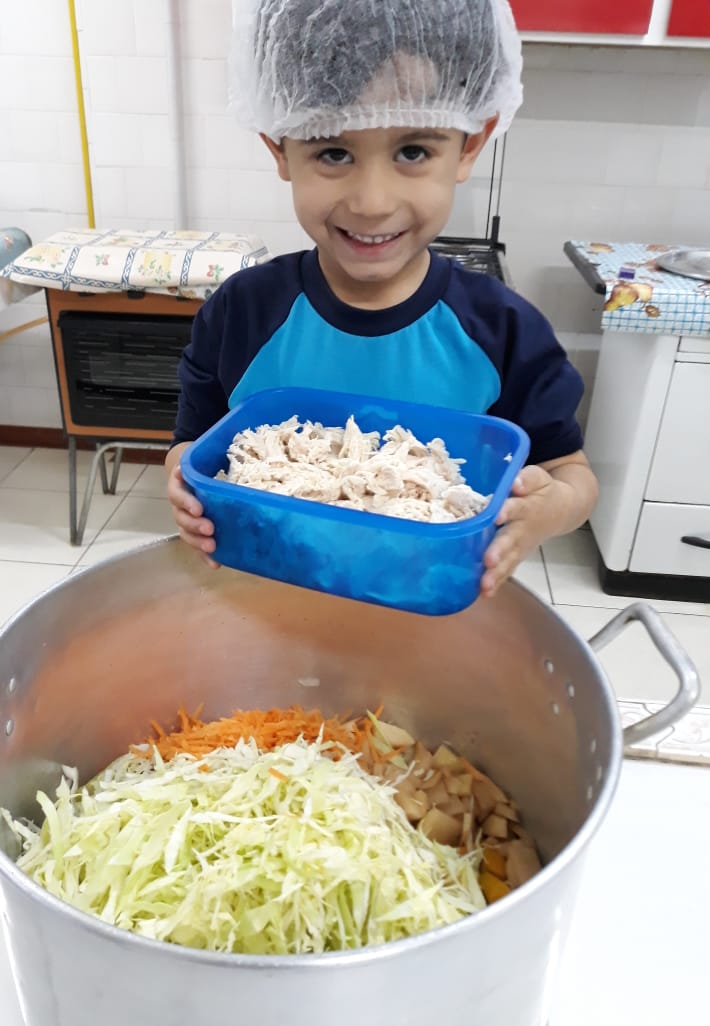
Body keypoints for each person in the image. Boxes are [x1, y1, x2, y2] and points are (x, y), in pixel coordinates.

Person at [166, 0, 598, 598]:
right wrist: (183, 485)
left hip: (422, 605)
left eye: (413, 152)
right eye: (333, 152)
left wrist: (547, 511)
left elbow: (570, 474)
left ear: (470, 146)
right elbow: (191, 447)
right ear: (280, 149)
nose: (372, 202)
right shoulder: (243, 312)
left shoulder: (503, 331)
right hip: (264, 597)